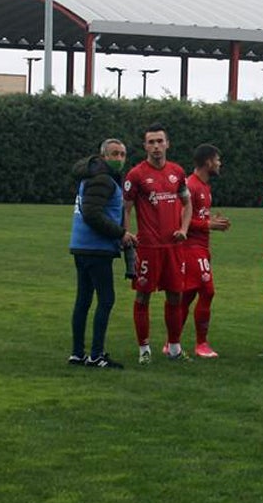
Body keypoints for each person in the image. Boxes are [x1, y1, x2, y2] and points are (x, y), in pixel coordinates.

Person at [123, 124, 192, 364]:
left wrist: (183, 229)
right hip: (148, 248)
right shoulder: (136, 174)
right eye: (151, 142)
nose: (155, 146)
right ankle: (144, 351)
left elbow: (187, 203)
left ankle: (174, 348)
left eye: (159, 141)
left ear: (167, 144)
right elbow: (126, 207)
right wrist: (126, 232)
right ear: (145, 146)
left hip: (173, 247)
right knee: (143, 297)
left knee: (175, 296)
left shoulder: (177, 172)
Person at [69, 138, 135, 368]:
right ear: (104, 156)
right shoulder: (103, 179)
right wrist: (120, 233)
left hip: (81, 245)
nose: (119, 159)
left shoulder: (90, 176)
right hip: (96, 248)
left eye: (122, 154)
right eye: (114, 154)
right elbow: (92, 214)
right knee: (106, 299)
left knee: (84, 300)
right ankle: (96, 355)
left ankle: (78, 353)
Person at [179, 144, 231, 358]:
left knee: (188, 295)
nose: (219, 163)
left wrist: (211, 222)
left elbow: (198, 217)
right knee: (207, 292)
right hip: (191, 248)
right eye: (217, 159)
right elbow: (181, 219)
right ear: (208, 161)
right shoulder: (190, 186)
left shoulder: (204, 186)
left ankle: (171, 342)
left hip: (201, 247)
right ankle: (201, 344)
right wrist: (207, 225)